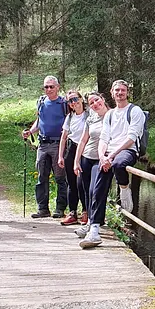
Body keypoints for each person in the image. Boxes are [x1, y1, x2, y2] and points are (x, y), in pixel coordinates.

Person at [79, 79, 146, 249]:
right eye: (117, 90)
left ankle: (124, 188)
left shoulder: (135, 111)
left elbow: (131, 138)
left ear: (127, 92)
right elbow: (104, 138)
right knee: (97, 188)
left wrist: (112, 155)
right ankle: (94, 229)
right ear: (111, 92)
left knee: (118, 164)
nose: (120, 93)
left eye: (123, 90)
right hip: (108, 153)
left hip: (127, 150)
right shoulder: (110, 114)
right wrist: (102, 156)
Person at [21, 75, 68, 218]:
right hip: (42, 144)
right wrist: (30, 132)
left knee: (60, 178)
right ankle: (43, 209)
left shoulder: (64, 103)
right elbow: (39, 120)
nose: (48, 89)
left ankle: (60, 209)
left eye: (51, 86)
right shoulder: (41, 102)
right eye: (46, 87)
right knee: (42, 177)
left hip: (58, 144)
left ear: (57, 87)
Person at [73, 92, 110, 241]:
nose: (95, 104)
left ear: (103, 99)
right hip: (87, 157)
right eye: (91, 103)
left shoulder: (113, 116)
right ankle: (90, 222)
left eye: (97, 100)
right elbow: (83, 140)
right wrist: (76, 161)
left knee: (95, 190)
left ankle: (95, 224)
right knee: (86, 191)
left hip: (101, 159)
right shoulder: (91, 118)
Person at [56, 89, 88, 225]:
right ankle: (73, 212)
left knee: (83, 182)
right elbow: (64, 137)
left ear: (81, 99)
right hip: (72, 148)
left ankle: (86, 211)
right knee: (71, 182)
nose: (73, 103)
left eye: (75, 99)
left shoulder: (89, 115)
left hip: (86, 149)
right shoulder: (70, 117)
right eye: (70, 101)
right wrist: (60, 156)